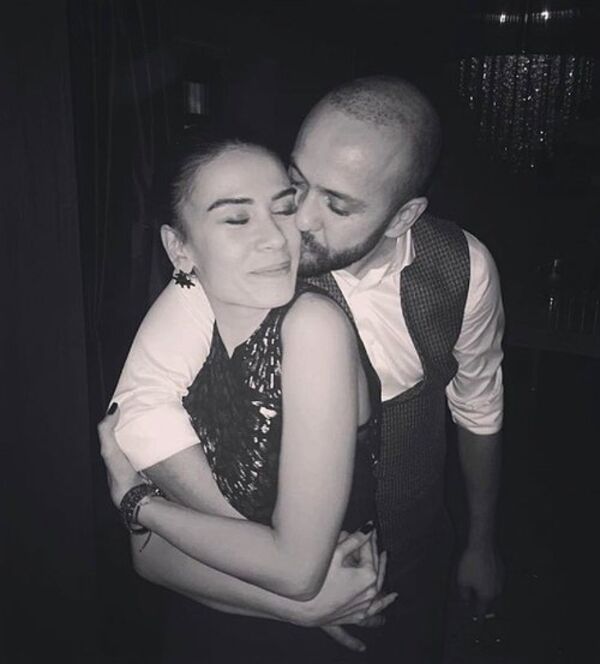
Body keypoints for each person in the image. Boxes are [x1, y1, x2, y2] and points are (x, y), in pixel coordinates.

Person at [111, 75, 504, 662]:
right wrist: (281, 568)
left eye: (337, 205)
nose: (297, 220)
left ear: (403, 216)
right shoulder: (242, 272)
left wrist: (481, 540)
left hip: (417, 558)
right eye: (297, 185)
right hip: (271, 593)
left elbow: (479, 407)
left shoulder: (464, 266)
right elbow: (139, 408)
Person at [100, 138, 395, 663]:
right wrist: (296, 607)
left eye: (283, 209)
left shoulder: (312, 327)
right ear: (179, 248)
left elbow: (297, 570)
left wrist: (139, 503)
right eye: (237, 219)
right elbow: (146, 558)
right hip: (206, 630)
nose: (276, 239)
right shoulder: (181, 350)